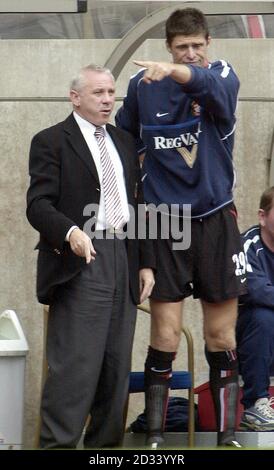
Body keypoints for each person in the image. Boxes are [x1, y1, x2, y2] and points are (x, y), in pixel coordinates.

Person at [116, 8, 247, 448]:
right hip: (162, 219)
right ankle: (153, 438)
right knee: (166, 334)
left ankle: (228, 434)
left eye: (196, 46)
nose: (190, 54)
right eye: (180, 48)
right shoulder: (141, 86)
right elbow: (126, 137)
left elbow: (213, 87)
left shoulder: (221, 73)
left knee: (220, 334)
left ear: (207, 43)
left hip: (215, 215)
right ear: (168, 46)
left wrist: (178, 71)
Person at [26, 64, 155, 449]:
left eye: (111, 93)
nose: (107, 100)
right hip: (80, 257)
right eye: (98, 93)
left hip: (124, 259)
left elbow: (139, 203)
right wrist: (71, 232)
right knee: (75, 370)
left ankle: (105, 452)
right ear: (75, 97)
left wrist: (146, 261)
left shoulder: (125, 142)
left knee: (115, 372)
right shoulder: (51, 141)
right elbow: (37, 204)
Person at [237, 186, 274, 431]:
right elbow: (258, 292)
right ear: (262, 216)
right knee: (263, 316)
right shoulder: (246, 245)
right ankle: (255, 405)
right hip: (245, 339)